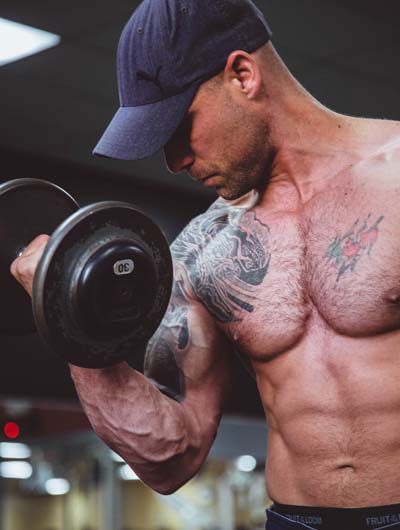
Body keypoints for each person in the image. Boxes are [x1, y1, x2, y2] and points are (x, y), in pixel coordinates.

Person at [10, 0, 400, 529]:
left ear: (242, 75)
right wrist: (69, 319)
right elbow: (170, 457)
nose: (175, 162)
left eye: (179, 127)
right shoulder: (203, 250)